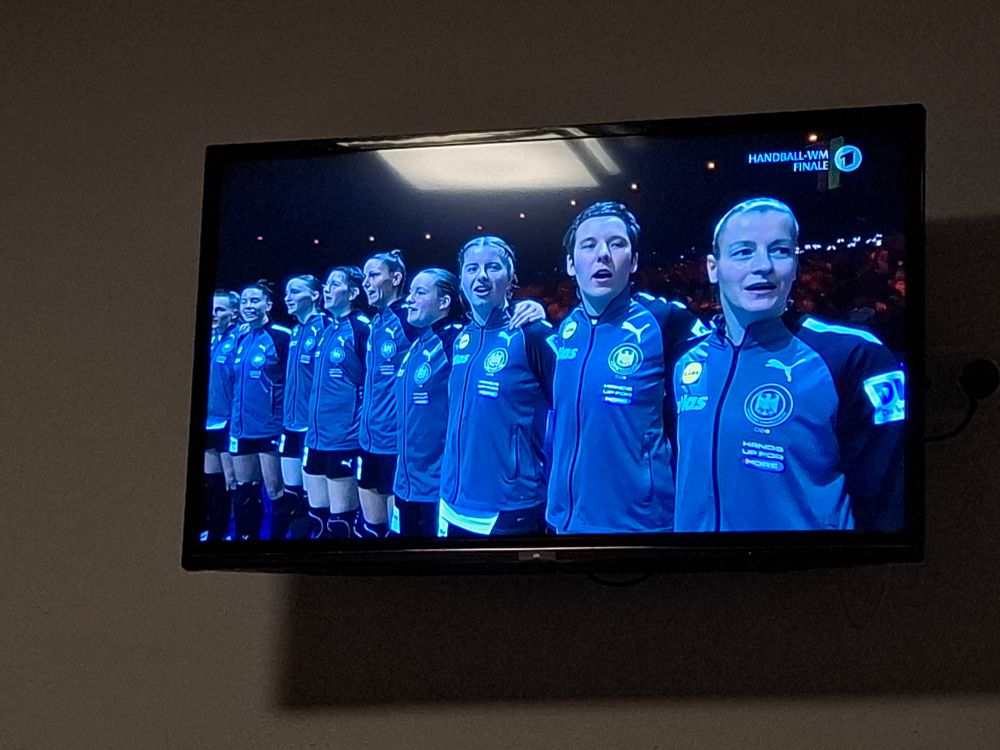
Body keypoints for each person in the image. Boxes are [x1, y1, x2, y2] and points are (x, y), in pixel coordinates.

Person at [673, 197, 906, 532]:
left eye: (780, 250)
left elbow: (888, 506)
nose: (763, 265)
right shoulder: (687, 359)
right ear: (713, 267)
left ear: (795, 265)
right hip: (696, 563)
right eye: (743, 251)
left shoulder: (853, 356)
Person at [546, 201, 705, 534]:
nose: (603, 254)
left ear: (633, 261)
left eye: (616, 244)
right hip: (563, 521)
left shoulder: (666, 321)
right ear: (571, 264)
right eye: (588, 245)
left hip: (639, 526)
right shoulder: (566, 327)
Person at [439, 235, 556, 537]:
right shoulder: (458, 338)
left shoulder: (533, 334)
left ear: (510, 278)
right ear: (461, 280)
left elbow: (570, 412)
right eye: (471, 268)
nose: (481, 276)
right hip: (452, 502)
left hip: (510, 505)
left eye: (492, 267)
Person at [392, 269, 465, 537]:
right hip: (406, 482)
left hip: (436, 487)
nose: (409, 299)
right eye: (410, 292)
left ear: (444, 302)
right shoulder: (419, 343)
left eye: (420, 292)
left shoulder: (456, 340)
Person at [303, 266, 369, 538]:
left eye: (334, 284)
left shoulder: (362, 328)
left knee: (341, 524)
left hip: (344, 438)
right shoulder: (327, 329)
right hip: (316, 436)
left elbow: (371, 383)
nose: (326, 289)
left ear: (352, 293)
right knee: (316, 517)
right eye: (326, 284)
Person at [357, 250, 418, 537]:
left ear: (395, 278)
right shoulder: (376, 322)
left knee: (396, 536)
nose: (366, 283)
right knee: (371, 530)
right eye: (364, 277)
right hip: (369, 439)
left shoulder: (410, 318)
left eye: (373, 275)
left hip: (396, 443)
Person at [228, 280, 292, 540]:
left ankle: (276, 544)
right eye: (244, 301)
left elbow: (295, 381)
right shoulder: (240, 337)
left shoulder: (281, 336)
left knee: (276, 492)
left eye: (254, 300)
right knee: (245, 488)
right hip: (241, 427)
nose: (248, 306)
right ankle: (247, 540)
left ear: (268, 304)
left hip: (269, 427)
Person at [278, 274, 328, 540]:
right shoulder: (295, 331)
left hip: (313, 428)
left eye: (295, 292)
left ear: (315, 295)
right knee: (291, 495)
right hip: (290, 425)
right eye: (287, 292)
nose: (288, 297)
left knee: (313, 502)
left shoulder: (325, 327)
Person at [202, 289, 241, 540]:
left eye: (220, 309)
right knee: (213, 481)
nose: (214, 314)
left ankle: (233, 534)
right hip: (209, 422)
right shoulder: (211, 338)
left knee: (231, 482)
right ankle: (215, 533)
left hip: (228, 423)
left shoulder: (238, 340)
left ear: (233, 313)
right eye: (212, 309)